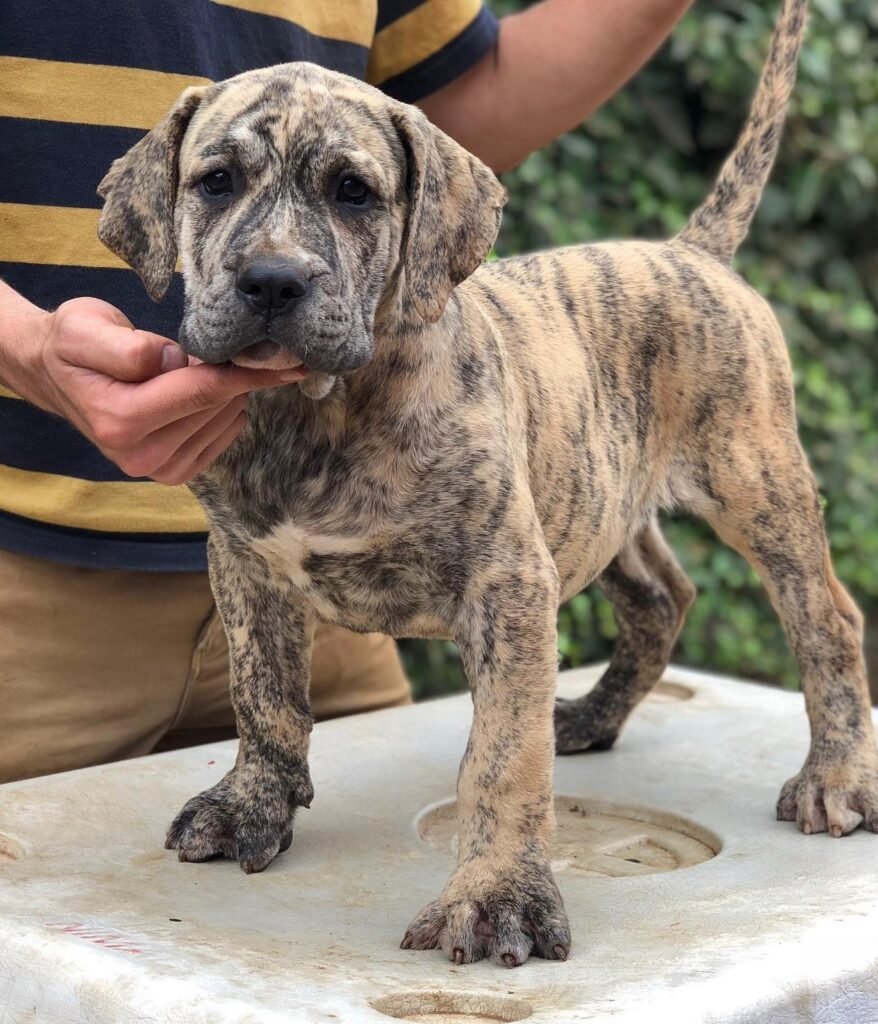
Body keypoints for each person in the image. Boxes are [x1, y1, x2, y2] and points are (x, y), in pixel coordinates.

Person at [0, 0, 693, 783]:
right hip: (29, 605)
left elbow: (475, 98)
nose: (276, 259)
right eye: (220, 183)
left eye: (352, 195)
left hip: (345, 604)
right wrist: (20, 344)